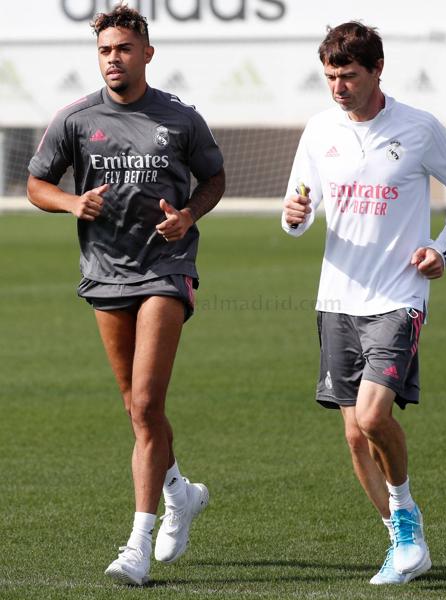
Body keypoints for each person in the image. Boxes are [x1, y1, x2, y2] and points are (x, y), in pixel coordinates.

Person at [27, 3, 225, 586]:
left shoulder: (181, 118)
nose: (114, 58)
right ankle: (179, 492)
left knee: (144, 402)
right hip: (105, 270)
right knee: (137, 409)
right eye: (105, 50)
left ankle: (137, 543)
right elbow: (37, 183)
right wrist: (71, 202)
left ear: (147, 53)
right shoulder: (75, 118)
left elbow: (214, 179)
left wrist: (188, 215)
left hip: (166, 267)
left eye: (124, 49)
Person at [282, 21, 446, 585]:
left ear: (376, 71)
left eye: (348, 75)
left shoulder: (418, 128)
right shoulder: (319, 131)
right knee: (352, 435)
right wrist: (294, 218)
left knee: (373, 417)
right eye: (329, 76)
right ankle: (402, 538)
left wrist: (444, 251)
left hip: (398, 296)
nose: (338, 87)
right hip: (336, 298)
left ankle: (406, 517)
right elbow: (298, 206)